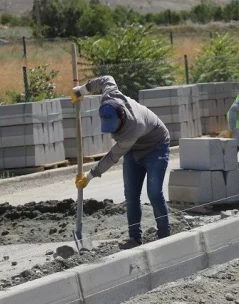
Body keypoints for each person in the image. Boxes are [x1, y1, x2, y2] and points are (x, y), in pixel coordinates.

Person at [71, 75, 170, 250]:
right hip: (134, 148)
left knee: (154, 193)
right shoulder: (109, 96)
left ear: (121, 116)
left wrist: (91, 175)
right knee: (131, 196)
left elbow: (112, 157)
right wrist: (82, 90)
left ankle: (165, 237)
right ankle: (135, 238)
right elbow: (106, 79)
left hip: (156, 146)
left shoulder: (133, 127)